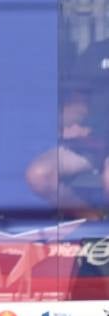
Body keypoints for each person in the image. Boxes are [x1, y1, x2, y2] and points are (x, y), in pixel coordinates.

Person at [26, 37, 109, 222]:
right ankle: (95, 222)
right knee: (39, 174)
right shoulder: (96, 51)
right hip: (92, 141)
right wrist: (68, 126)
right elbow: (77, 103)